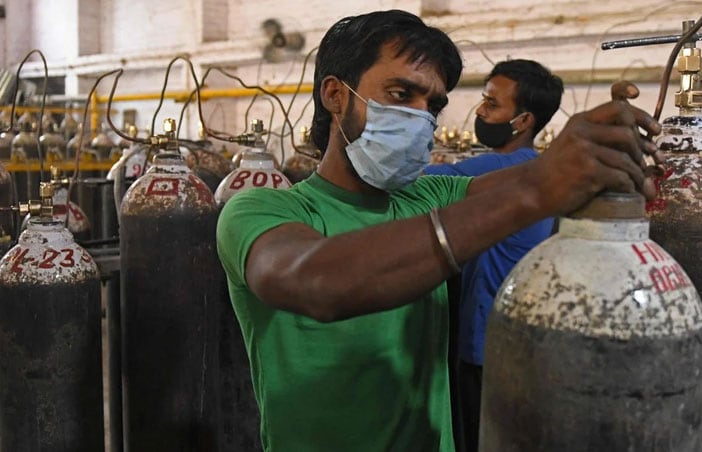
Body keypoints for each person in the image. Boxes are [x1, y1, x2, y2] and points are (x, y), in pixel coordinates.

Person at [216, 9, 661, 452]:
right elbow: (316, 281)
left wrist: (596, 148)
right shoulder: (264, 209)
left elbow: (538, 175)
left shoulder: (428, 197)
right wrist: (537, 191)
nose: (420, 117)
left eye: (432, 105)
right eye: (400, 93)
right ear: (335, 94)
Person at [424, 59, 564, 452]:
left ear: (522, 121)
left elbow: (418, 186)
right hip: (518, 341)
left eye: (491, 103)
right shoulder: (534, 168)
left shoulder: (499, 168)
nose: (480, 111)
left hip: (485, 343)